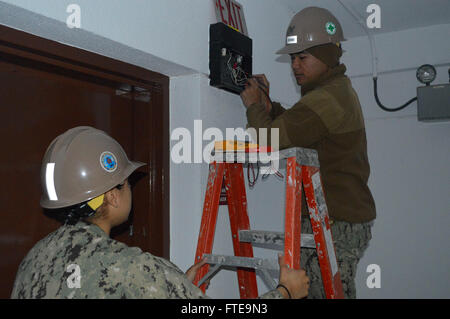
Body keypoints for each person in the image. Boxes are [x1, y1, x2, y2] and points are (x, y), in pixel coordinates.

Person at [11, 126, 309, 299]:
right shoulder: (133, 268)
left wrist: (176, 289)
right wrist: (284, 291)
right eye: (126, 182)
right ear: (113, 196)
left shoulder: (33, 259)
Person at [240, 7, 376, 299]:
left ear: (326, 57)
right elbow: (301, 127)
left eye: (303, 57)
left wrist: (253, 106)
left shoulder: (327, 98)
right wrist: (269, 107)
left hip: (337, 222)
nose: (295, 65)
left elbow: (270, 139)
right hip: (333, 218)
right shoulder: (331, 92)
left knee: (320, 293)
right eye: (292, 58)